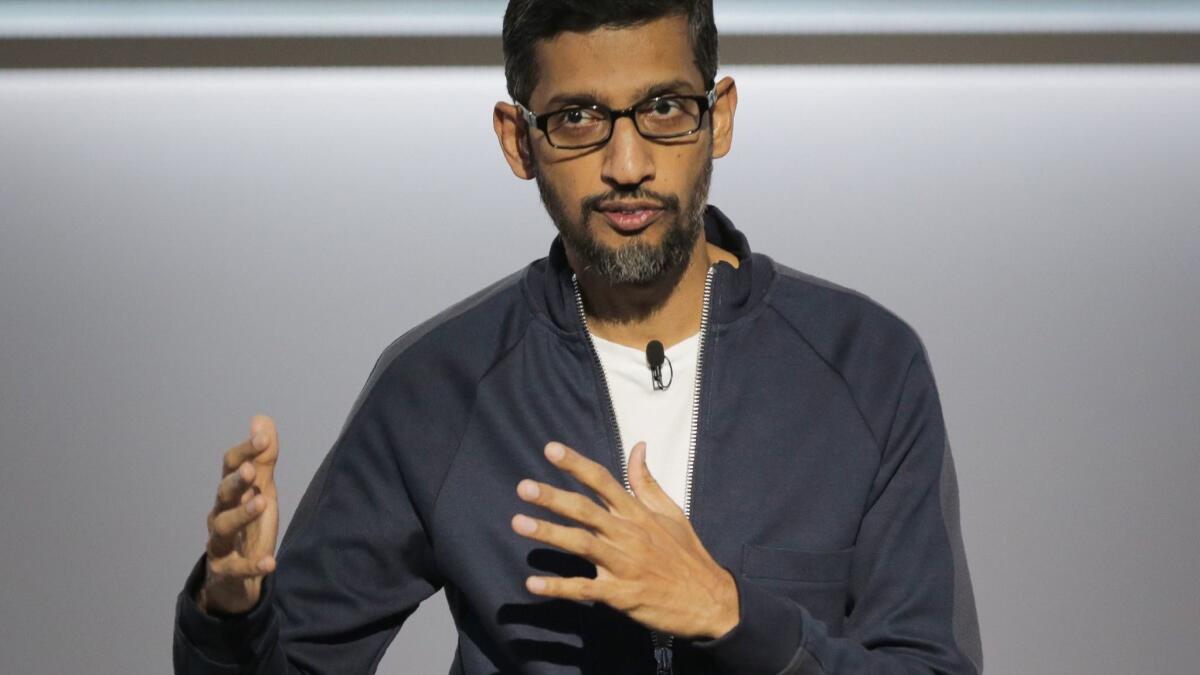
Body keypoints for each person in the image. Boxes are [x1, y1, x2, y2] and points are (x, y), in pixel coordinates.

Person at [173, 1, 983, 673]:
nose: (627, 163)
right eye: (579, 119)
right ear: (518, 140)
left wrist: (730, 613)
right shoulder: (442, 385)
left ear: (720, 117)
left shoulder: (866, 365)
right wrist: (231, 612)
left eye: (665, 107)